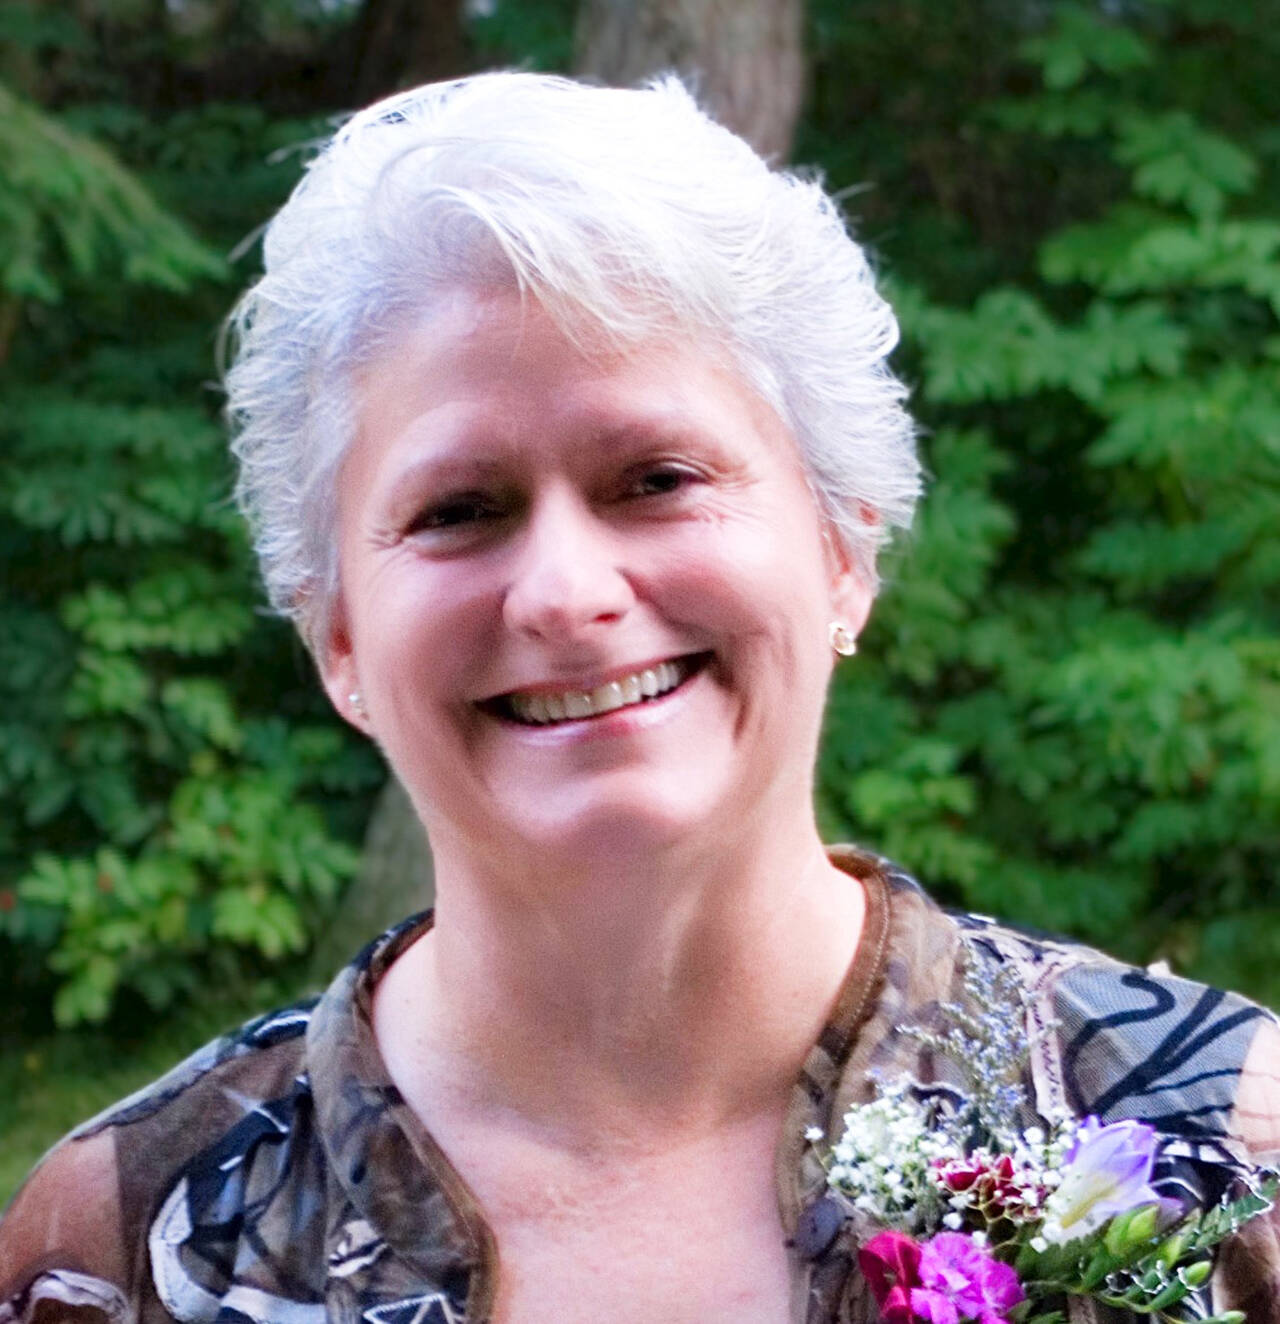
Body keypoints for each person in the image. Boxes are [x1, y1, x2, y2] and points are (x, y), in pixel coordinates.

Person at [1, 72, 1277, 1324]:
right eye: (458, 509)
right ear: (337, 635)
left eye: (657, 478)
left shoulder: (1225, 1156)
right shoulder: (122, 1246)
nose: (564, 593)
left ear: (842, 547)